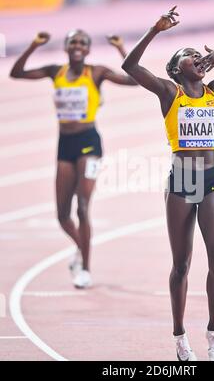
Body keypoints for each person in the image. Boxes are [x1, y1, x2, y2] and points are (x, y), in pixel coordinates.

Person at [122, 6, 214, 361]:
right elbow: (130, 66)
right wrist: (155, 30)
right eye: (188, 56)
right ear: (176, 70)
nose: (197, 57)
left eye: (198, 54)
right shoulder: (169, 93)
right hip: (184, 178)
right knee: (182, 265)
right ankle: (179, 334)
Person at [10, 30, 137, 289]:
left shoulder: (96, 72)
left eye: (82, 42)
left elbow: (133, 80)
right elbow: (17, 73)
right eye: (73, 42)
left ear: (88, 49)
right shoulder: (55, 71)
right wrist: (33, 45)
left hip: (89, 142)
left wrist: (121, 49)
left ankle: (86, 269)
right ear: (66, 47)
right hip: (64, 145)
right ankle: (81, 248)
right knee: (62, 215)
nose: (77, 46)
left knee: (82, 207)